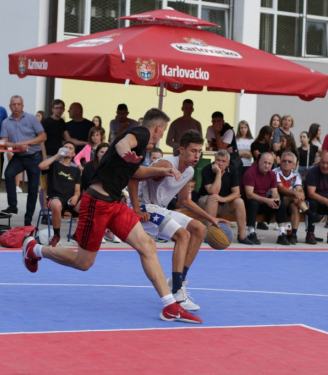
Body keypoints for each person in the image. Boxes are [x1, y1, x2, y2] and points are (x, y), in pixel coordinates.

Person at [22, 108, 202, 324]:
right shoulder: (141, 134)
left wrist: (162, 171)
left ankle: (170, 306)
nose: (162, 135)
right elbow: (120, 144)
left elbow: (135, 173)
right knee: (83, 262)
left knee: (147, 246)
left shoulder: (141, 146)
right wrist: (126, 151)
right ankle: (35, 249)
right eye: (162, 131)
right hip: (96, 202)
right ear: (158, 128)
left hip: (115, 203)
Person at [129, 129, 227, 310]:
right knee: (183, 235)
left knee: (199, 229)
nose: (197, 155)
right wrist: (136, 209)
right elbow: (133, 177)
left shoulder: (189, 171)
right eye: (193, 151)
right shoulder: (166, 165)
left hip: (159, 209)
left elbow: (184, 200)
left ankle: (178, 280)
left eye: (199, 151)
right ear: (181, 150)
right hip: (144, 208)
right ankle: (177, 293)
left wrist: (210, 218)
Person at [0, 96, 46, 226]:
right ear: (10, 106)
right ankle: (12, 205)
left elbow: (43, 136)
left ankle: (28, 219)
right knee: (8, 174)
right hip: (19, 156)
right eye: (13, 104)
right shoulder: (6, 122)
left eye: (18, 104)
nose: (16, 106)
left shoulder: (32, 118)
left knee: (32, 189)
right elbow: (3, 141)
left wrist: (25, 142)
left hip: (34, 156)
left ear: (23, 106)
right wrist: (17, 146)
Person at [198, 149, 253, 245]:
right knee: (213, 198)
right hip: (205, 203)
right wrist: (218, 173)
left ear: (227, 163)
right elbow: (213, 191)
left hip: (223, 203)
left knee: (239, 201)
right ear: (214, 160)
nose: (220, 163)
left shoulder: (233, 170)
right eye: (218, 160)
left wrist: (223, 199)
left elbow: (236, 193)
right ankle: (210, 234)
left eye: (223, 161)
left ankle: (242, 236)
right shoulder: (207, 169)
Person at [272, 152, 325, 244]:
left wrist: (301, 194)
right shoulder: (275, 172)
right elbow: (280, 188)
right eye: (284, 161)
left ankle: (294, 235)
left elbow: (299, 188)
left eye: (289, 161)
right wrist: (296, 194)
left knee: (295, 207)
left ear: (294, 164)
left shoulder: (295, 174)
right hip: (278, 202)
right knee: (292, 196)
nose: (286, 163)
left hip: (292, 201)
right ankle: (311, 214)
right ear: (280, 162)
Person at [38, 141, 80, 247]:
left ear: (74, 154)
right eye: (65, 147)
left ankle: (78, 235)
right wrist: (58, 155)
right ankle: (56, 236)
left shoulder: (76, 171)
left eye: (70, 148)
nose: (67, 149)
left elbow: (77, 190)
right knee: (57, 205)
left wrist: (75, 196)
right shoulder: (54, 164)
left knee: (89, 206)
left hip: (70, 199)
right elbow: (41, 166)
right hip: (54, 198)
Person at [241, 152, 289, 245]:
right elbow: (249, 194)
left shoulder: (272, 174)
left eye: (269, 163)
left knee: (281, 204)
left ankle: (282, 234)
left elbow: (274, 192)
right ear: (259, 162)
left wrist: (276, 200)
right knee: (253, 202)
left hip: (263, 201)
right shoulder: (250, 172)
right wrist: (267, 200)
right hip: (248, 202)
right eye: (265, 162)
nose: (267, 166)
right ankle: (251, 232)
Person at [40, 99, 67, 222]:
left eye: (61, 108)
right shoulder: (46, 122)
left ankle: (56, 211)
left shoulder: (62, 122)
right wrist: (45, 159)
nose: (59, 110)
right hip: (48, 156)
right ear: (52, 109)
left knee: (56, 185)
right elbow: (42, 141)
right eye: (57, 108)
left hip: (59, 157)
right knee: (44, 185)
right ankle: (44, 213)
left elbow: (66, 139)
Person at [80, 142, 111, 244]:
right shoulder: (89, 166)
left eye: (106, 152)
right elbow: (90, 183)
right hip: (92, 194)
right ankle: (99, 232)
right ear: (97, 153)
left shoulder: (112, 165)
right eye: (101, 152)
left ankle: (110, 232)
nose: (103, 154)